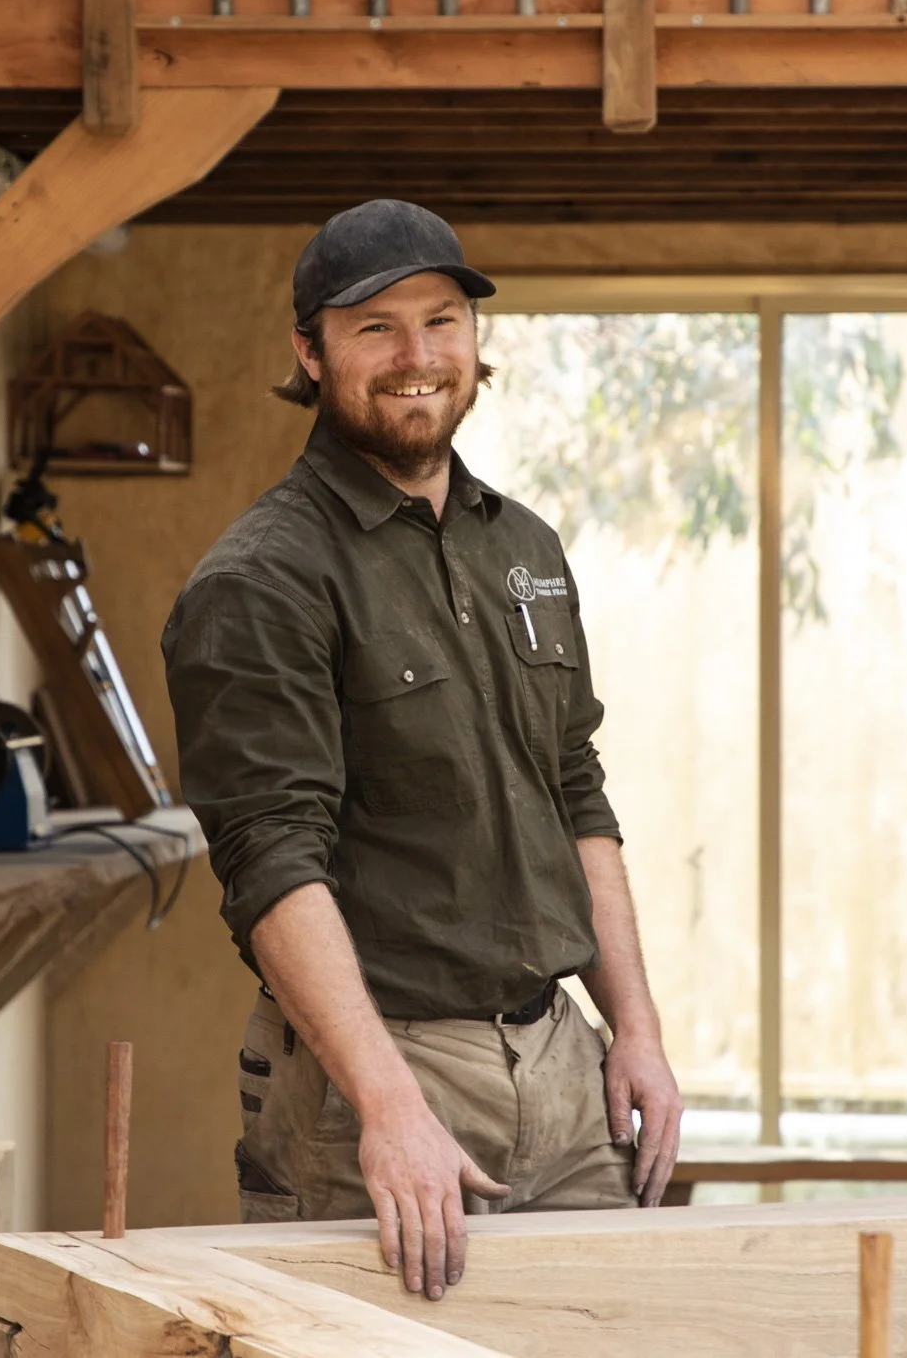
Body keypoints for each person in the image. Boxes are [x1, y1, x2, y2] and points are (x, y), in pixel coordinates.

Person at [161, 199, 682, 1304]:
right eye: (374, 328)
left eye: (441, 322)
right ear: (308, 351)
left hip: (559, 1058)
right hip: (381, 1072)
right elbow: (269, 860)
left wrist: (630, 1027)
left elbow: (574, 790)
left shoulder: (522, 546)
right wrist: (388, 1106)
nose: (416, 358)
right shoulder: (260, 580)